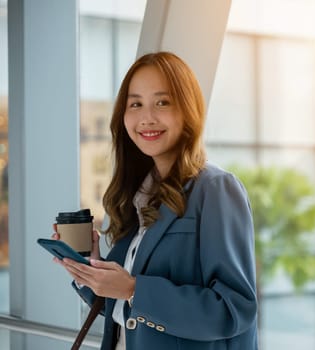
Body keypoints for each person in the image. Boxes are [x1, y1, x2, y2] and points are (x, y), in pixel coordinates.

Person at [52, 51, 258, 349]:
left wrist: (135, 290)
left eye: (162, 102)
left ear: (188, 110)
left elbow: (233, 310)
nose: (147, 118)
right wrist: (90, 271)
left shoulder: (215, 189)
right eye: (135, 104)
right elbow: (125, 311)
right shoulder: (138, 196)